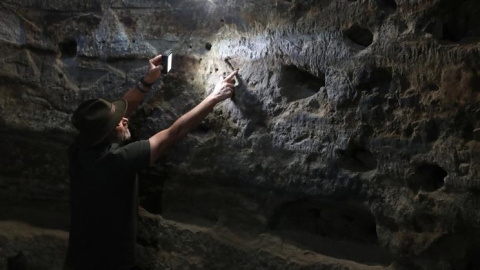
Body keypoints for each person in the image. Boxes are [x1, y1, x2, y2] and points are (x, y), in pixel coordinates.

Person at [65, 54, 237, 270]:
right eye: (118, 123)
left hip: (78, 258)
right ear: (106, 134)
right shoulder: (117, 161)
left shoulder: (79, 148)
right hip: (110, 261)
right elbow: (174, 133)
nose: (125, 119)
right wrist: (214, 97)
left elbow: (123, 108)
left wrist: (147, 81)